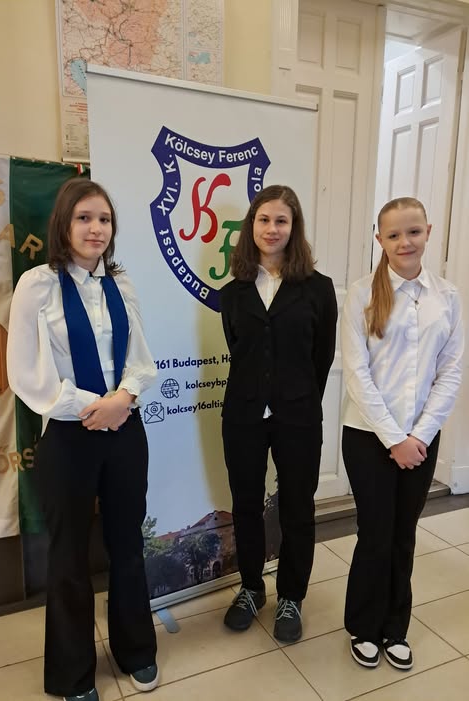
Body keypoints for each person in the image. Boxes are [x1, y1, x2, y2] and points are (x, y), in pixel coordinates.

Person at [7, 178, 159, 700]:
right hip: (69, 436)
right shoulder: (37, 285)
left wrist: (124, 399)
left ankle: (136, 649)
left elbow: (140, 358)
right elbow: (26, 373)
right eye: (84, 218)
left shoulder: (122, 282)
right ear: (63, 224)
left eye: (104, 219)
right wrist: (91, 408)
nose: (96, 229)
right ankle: (72, 674)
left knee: (128, 543)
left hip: (125, 428)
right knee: (69, 555)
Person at [341, 197, 464, 671]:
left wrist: (420, 435)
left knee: (403, 534)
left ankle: (396, 628)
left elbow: (450, 372)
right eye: (393, 235)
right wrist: (394, 438)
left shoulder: (447, 297)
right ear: (380, 239)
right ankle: (364, 626)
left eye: (413, 232)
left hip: (421, 439)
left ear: (428, 231)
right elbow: (357, 375)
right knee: (375, 533)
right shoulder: (360, 295)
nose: (404, 242)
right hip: (368, 436)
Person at [220, 184, 338, 642]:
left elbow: (321, 358)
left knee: (297, 508)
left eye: (281, 221)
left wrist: (296, 397)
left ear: (294, 227)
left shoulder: (318, 289)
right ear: (252, 226)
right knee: (246, 504)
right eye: (264, 220)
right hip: (243, 414)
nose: (272, 229)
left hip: (298, 415)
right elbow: (239, 350)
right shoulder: (233, 292)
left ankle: (291, 595)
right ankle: (252, 587)